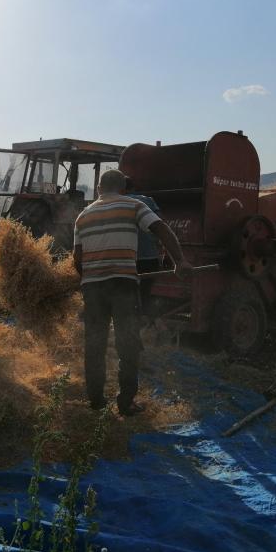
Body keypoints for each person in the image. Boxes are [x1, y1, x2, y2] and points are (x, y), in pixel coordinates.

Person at [73, 170, 192, 415]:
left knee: (94, 344)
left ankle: (96, 402)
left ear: (98, 189)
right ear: (123, 189)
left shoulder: (82, 216)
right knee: (128, 343)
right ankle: (125, 402)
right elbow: (161, 229)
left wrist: (89, 279)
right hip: (123, 284)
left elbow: (77, 259)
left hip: (93, 288)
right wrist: (179, 261)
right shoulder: (134, 205)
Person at [123, 183, 161, 319]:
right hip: (149, 258)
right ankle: (151, 323)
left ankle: (134, 321)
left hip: (126, 259)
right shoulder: (148, 200)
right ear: (133, 188)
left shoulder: (118, 202)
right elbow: (159, 225)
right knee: (145, 293)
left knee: (127, 294)